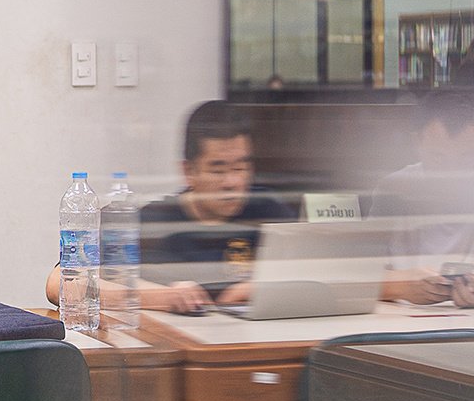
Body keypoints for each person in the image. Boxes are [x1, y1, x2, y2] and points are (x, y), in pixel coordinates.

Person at [41, 99, 293, 314]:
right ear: (188, 171)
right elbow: (58, 283)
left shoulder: (268, 211)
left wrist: (260, 288)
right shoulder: (154, 222)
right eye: (218, 170)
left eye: (240, 168)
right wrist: (163, 297)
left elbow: (310, 273)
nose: (232, 182)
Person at [373, 89, 474, 305]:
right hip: (403, 317)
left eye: (467, 159)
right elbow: (356, 275)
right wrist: (400, 286)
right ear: (417, 143)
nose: (453, 174)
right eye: (438, 158)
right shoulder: (393, 190)